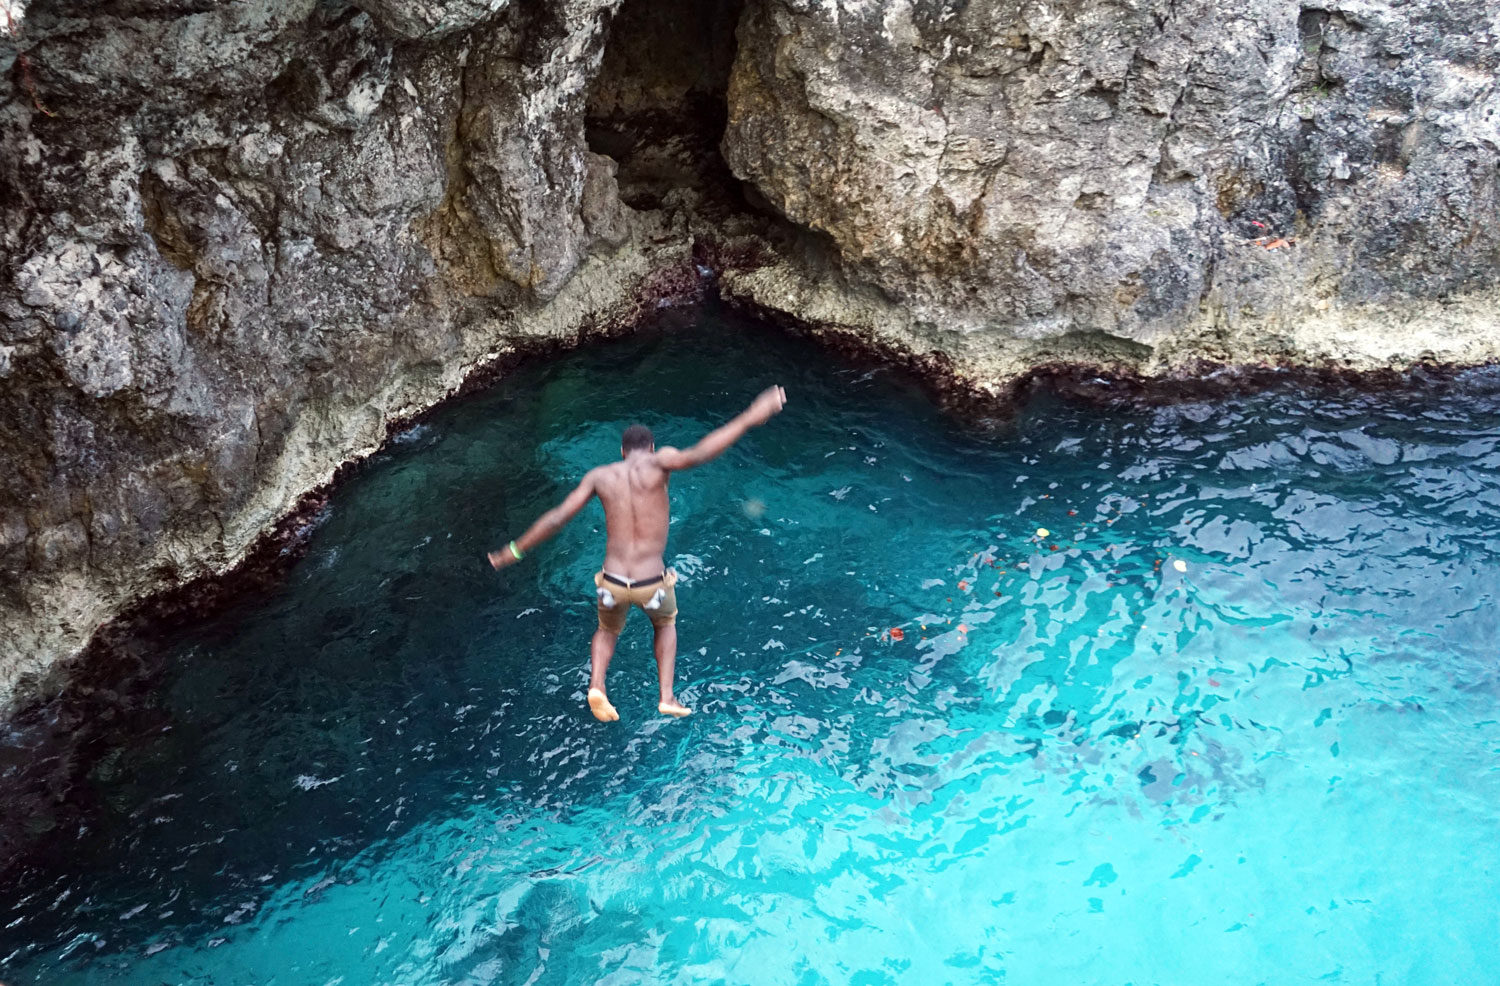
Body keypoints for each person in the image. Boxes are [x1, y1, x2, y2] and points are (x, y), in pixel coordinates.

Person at [488, 385, 788, 722]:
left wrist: (514, 550)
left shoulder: (599, 476)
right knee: (665, 624)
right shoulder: (660, 463)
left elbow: (558, 517)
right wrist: (750, 416)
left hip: (612, 583)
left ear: (621, 451)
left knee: (607, 630)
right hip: (651, 584)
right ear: (652, 447)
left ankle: (597, 685)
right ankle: (667, 696)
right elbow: (701, 452)